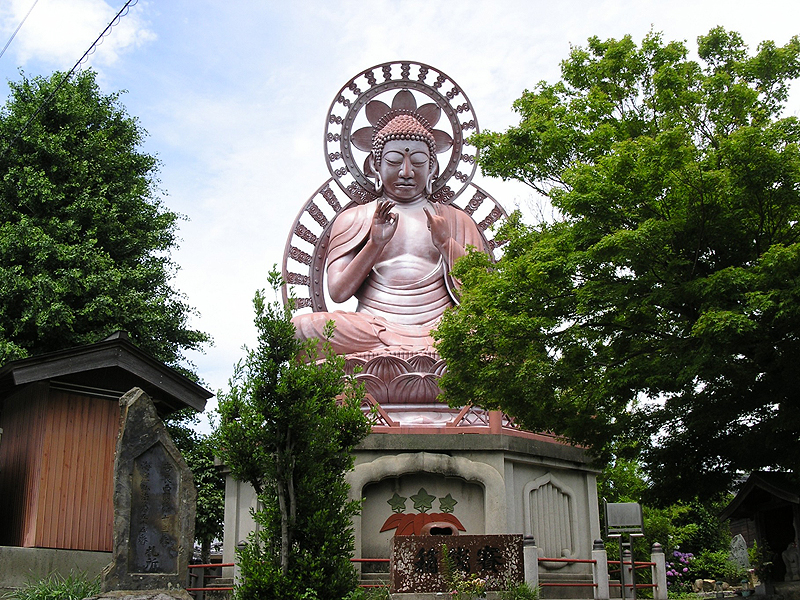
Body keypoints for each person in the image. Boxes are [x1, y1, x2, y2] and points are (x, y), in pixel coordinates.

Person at [292, 97, 485, 354]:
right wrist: (375, 244)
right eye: (394, 161)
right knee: (300, 330)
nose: (406, 172)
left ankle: (411, 355)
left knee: (497, 330)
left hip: (445, 330)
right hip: (373, 326)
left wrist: (446, 244)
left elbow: (483, 294)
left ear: (432, 168)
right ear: (375, 165)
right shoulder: (355, 218)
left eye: (417, 162)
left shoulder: (457, 221)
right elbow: (338, 292)